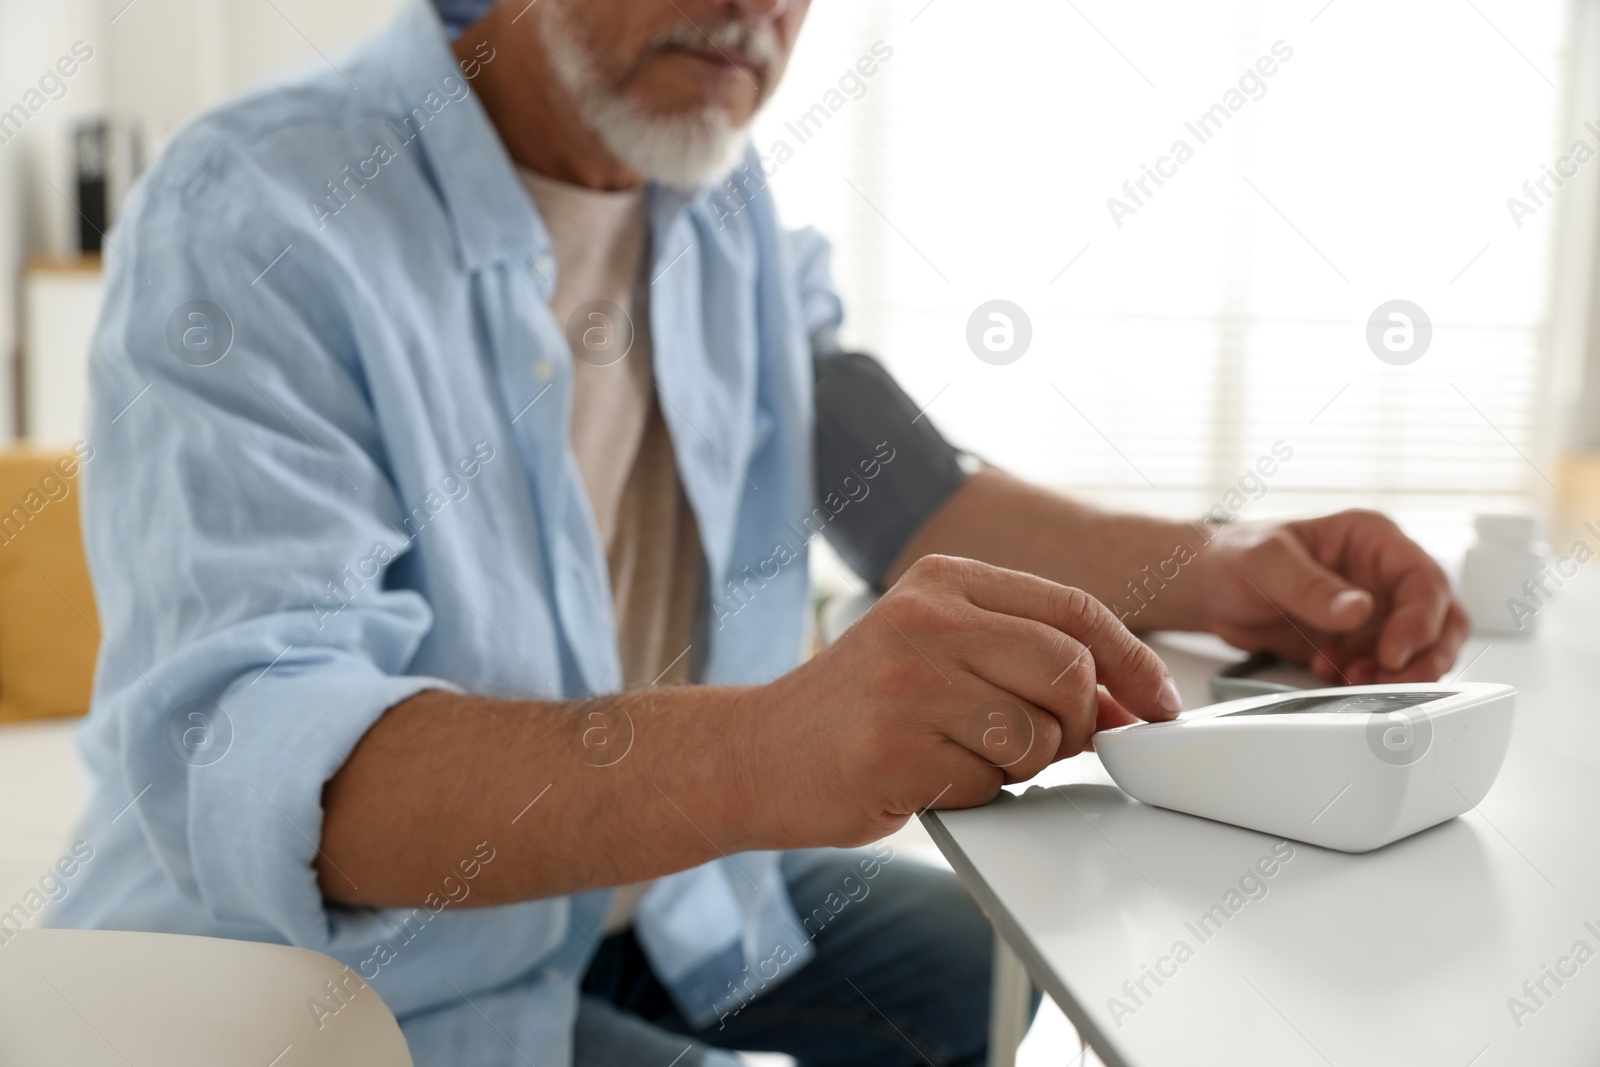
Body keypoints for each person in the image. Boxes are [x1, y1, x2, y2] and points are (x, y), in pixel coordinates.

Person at [50, 0, 1469, 1064]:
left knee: (1000, 963)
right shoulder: (260, 212)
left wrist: (1218, 572)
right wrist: (779, 745)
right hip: (330, 974)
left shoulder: (712, 198)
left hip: (637, 896)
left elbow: (904, 495)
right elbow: (277, 762)